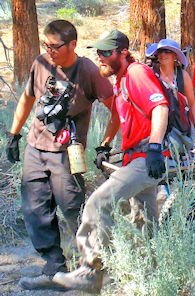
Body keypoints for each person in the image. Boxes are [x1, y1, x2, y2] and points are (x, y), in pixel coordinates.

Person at [51, 30, 169, 293]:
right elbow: (117, 113)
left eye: (106, 52)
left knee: (98, 202)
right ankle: (150, 279)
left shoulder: (137, 73)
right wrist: (105, 143)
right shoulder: (122, 79)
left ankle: (90, 271)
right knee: (145, 221)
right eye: (98, 52)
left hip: (144, 158)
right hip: (136, 157)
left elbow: (160, 107)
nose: (100, 57)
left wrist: (154, 147)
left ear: (123, 53)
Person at [4, 20, 117, 290]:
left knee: (72, 210)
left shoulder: (88, 71)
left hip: (67, 154)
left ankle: (89, 269)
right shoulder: (41, 63)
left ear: (73, 45)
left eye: (55, 46)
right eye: (46, 45)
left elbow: (117, 110)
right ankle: (53, 268)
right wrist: (13, 134)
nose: (49, 51)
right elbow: (28, 97)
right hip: (35, 148)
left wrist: (105, 144)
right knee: (35, 210)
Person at [146, 38, 195, 129]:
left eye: (167, 51)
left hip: (179, 127)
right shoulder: (151, 75)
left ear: (175, 56)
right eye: (160, 51)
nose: (163, 54)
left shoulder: (182, 76)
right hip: (155, 127)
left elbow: (192, 103)